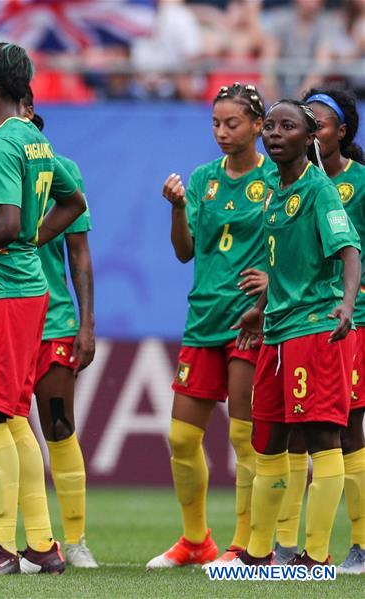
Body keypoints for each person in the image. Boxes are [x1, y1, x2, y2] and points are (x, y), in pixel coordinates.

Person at [0, 42, 87, 576]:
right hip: (23, 288)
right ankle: (43, 546)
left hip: (1, 290)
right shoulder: (36, 141)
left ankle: (4, 548)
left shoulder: (4, 144)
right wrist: (33, 238)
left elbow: (5, 223)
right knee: (8, 413)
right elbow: (73, 203)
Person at [147, 83, 276, 568]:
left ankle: (244, 545)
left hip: (250, 322)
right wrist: (178, 208)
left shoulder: (279, 179)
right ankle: (196, 540)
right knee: (181, 438)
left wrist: (273, 280)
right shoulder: (203, 179)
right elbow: (185, 250)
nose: (222, 132)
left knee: (243, 437)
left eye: (233, 123)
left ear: (258, 126)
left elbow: (299, 245)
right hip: (203, 317)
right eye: (216, 124)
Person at [228, 100, 361, 569]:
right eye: (270, 126)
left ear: (310, 139)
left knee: (324, 437)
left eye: (288, 127)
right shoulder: (271, 192)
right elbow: (279, 263)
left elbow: (348, 252)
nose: (274, 133)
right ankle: (259, 554)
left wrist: (346, 304)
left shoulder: (320, 190)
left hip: (316, 328)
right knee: (268, 441)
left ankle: (317, 556)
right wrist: (260, 308)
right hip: (279, 331)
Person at [274, 87, 365, 573]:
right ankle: (288, 544)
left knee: (346, 429)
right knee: (297, 432)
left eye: (318, 121)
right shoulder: (285, 183)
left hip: (345, 320)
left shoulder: (357, 184)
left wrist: (352, 300)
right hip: (297, 321)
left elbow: (351, 251)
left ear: (336, 132)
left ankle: (358, 545)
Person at [20, 90, 100, 568]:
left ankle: (75, 540)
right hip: (5, 317)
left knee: (58, 425)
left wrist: (86, 322)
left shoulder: (62, 170)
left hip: (52, 321)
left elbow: (80, 254)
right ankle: (17, 537)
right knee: (0, 429)